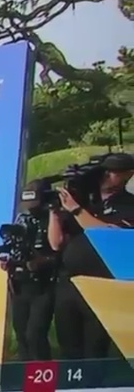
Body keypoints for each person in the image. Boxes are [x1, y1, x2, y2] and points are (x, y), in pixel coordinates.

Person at [48, 153, 134, 361]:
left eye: (111, 172)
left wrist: (77, 211)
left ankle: (95, 388)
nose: (105, 176)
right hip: (70, 283)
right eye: (103, 171)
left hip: (102, 283)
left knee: (94, 347)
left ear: (127, 175)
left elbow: (110, 235)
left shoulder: (128, 204)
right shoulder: (85, 201)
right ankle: (71, 388)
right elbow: (56, 243)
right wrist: (55, 212)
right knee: (69, 346)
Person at [1, 180, 57, 362]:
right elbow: (14, 245)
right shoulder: (21, 220)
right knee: (22, 334)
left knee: (35, 334)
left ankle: (43, 375)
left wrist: (42, 261)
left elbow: (62, 251)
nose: (31, 209)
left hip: (44, 285)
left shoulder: (55, 218)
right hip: (20, 283)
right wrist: (9, 260)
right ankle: (23, 375)